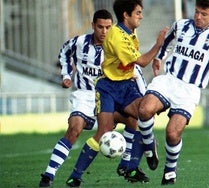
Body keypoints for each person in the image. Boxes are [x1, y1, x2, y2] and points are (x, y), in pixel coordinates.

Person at [65, 0, 168, 186]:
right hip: (108, 88)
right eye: (137, 13)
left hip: (127, 87)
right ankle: (76, 176)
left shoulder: (130, 32)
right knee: (104, 132)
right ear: (125, 15)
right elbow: (142, 61)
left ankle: (133, 165)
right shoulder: (116, 36)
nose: (141, 16)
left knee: (142, 116)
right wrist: (158, 45)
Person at [39, 9, 147, 187]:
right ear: (93, 26)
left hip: (109, 96)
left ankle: (126, 164)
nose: (104, 31)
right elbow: (64, 52)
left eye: (108, 27)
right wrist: (66, 75)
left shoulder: (118, 43)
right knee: (74, 128)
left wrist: (144, 98)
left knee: (132, 118)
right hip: (85, 95)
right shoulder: (79, 42)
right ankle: (48, 176)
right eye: (100, 27)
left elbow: (136, 70)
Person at [137, 0, 209, 185]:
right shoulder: (181, 25)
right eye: (197, 12)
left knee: (172, 133)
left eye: (204, 14)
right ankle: (149, 144)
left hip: (189, 90)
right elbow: (168, 41)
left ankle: (170, 170)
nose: (198, 17)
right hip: (169, 80)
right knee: (144, 110)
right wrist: (160, 57)